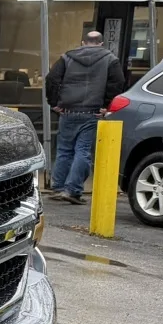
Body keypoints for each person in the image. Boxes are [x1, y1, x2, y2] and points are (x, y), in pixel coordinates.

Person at [44, 30, 124, 204]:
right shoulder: (110, 59)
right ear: (101, 43)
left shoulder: (67, 58)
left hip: (68, 111)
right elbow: (117, 83)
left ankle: (58, 187)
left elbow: (52, 79)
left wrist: (54, 103)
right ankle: (72, 190)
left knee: (65, 150)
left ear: (82, 42)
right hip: (92, 112)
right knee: (83, 150)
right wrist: (106, 106)